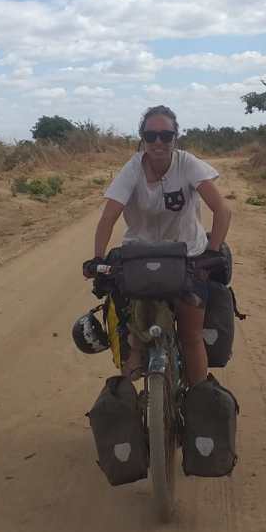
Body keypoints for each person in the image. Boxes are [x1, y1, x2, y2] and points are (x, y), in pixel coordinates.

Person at [83, 105, 232, 387]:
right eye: (151, 136)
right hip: (141, 257)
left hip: (188, 256)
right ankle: (130, 402)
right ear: (142, 138)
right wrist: (97, 258)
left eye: (166, 135)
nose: (158, 142)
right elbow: (108, 217)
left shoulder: (187, 163)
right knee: (134, 339)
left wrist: (212, 252)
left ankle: (198, 398)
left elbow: (222, 211)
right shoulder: (133, 169)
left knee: (191, 336)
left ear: (176, 137)